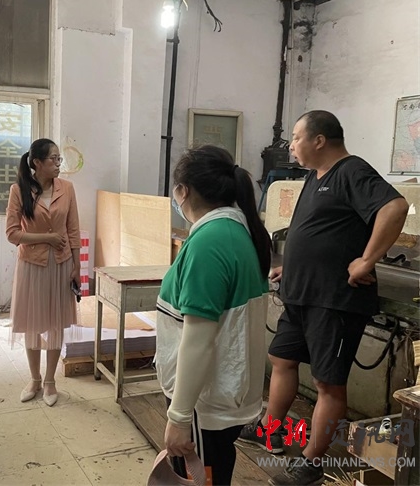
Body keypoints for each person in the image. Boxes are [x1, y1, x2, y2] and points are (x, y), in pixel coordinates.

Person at [239, 111, 409, 486]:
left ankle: (311, 464)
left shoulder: (351, 170)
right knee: (281, 358)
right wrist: (292, 265)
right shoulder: (315, 177)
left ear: (319, 140)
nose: (292, 147)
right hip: (301, 292)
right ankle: (270, 431)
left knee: (328, 383)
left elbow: (395, 207)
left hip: (334, 300)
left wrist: (367, 260)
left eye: (297, 138)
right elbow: (317, 231)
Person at [156, 145, 271, 486]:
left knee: (201, 477)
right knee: (216, 467)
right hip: (219, 393)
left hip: (203, 401)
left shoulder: (210, 242)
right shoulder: (235, 230)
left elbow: (198, 340)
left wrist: (179, 416)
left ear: (183, 190)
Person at [6, 138, 81, 407]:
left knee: (55, 322)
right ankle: (34, 379)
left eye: (59, 159)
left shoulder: (67, 189)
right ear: (37, 163)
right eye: (53, 159)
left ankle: (50, 381)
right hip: (32, 265)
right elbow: (12, 233)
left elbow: (73, 229)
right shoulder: (19, 190)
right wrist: (47, 238)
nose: (58, 164)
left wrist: (77, 267)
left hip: (61, 264)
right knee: (33, 322)